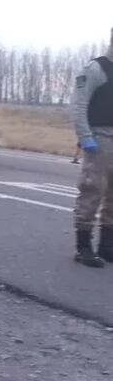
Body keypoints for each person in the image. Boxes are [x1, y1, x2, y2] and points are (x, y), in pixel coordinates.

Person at [71, 28, 113, 267]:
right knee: (92, 190)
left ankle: (107, 246)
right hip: (99, 138)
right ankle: (83, 247)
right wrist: (86, 137)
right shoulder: (96, 69)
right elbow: (78, 105)